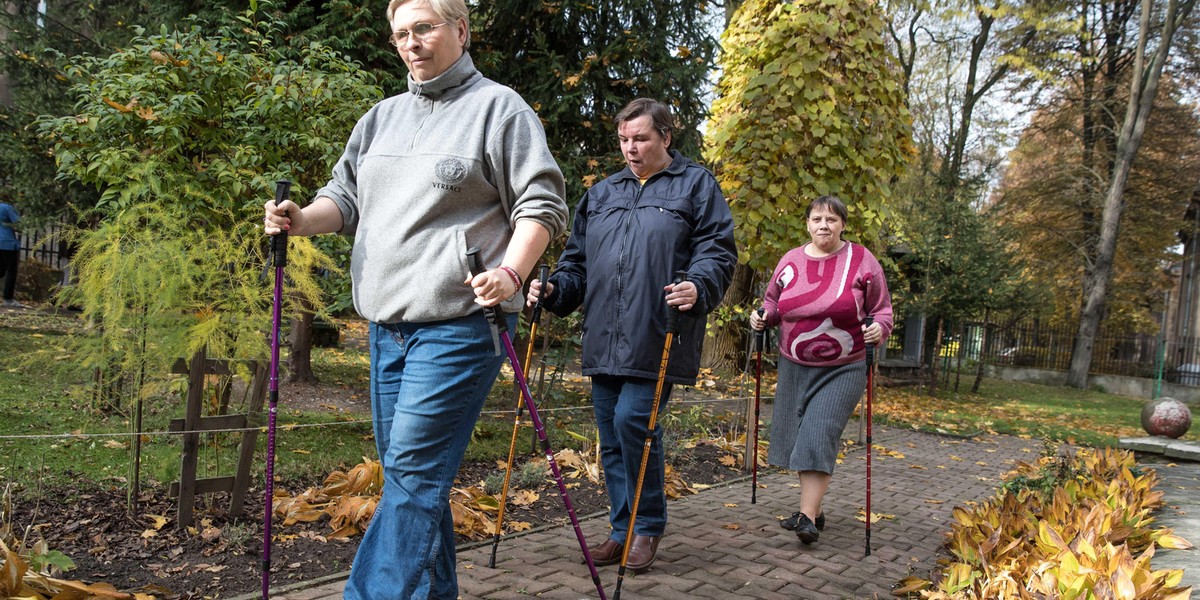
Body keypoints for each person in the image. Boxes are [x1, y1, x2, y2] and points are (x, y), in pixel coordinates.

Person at [262, 0, 568, 596]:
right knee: (415, 484)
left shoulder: (499, 110)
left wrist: (511, 272)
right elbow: (343, 199)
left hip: (459, 327)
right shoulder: (380, 118)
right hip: (386, 328)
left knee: (411, 477)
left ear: (460, 28)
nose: (412, 42)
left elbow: (543, 204)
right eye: (401, 33)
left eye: (424, 27)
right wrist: (301, 219)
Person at [527, 98, 737, 572]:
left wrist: (698, 284)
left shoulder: (696, 186)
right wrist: (556, 289)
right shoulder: (601, 194)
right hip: (604, 335)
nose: (630, 149)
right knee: (612, 438)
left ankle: (647, 527)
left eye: (640, 139)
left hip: (660, 331)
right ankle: (621, 531)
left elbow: (718, 251)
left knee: (633, 423)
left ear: (665, 136)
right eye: (624, 140)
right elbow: (576, 263)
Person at [749, 195, 893, 546]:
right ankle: (813, 508)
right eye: (817, 219)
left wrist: (879, 329)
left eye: (831, 219)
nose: (823, 226)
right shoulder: (791, 260)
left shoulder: (862, 260)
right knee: (798, 435)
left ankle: (806, 518)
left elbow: (883, 310)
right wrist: (762, 317)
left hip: (845, 366)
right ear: (808, 224)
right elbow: (773, 302)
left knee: (819, 431)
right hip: (794, 363)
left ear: (843, 224)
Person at [0, 201, 21, 308]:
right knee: (11, 270)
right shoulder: (6, 207)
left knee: (1, 270)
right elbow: (18, 222)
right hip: (7, 242)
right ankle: (8, 299)